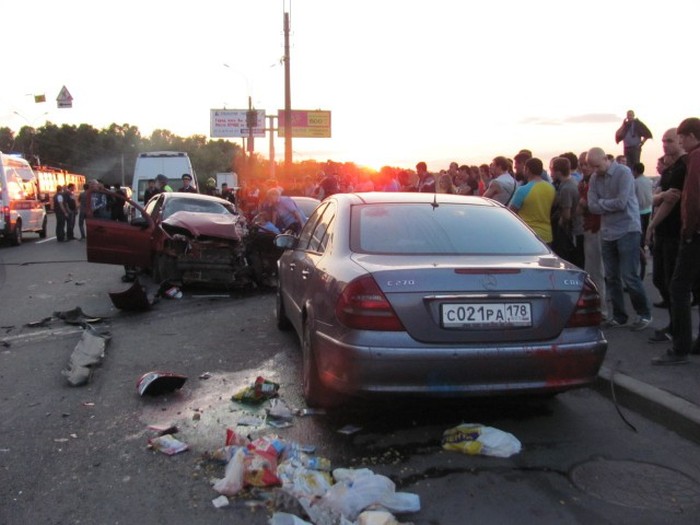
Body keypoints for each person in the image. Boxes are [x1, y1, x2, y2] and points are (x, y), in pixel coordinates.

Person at [587, 147, 652, 330]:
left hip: (627, 229)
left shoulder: (623, 173)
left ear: (605, 159)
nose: (594, 170)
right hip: (608, 232)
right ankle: (619, 316)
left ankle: (643, 314)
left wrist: (601, 204)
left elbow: (622, 202)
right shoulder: (594, 178)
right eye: (592, 167)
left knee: (629, 275)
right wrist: (605, 204)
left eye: (597, 166)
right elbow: (592, 206)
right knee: (611, 276)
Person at [652, 118, 700, 364]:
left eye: (680, 138)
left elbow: (691, 198)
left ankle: (679, 347)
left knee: (679, 288)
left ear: (691, 136)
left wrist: (688, 231)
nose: (679, 143)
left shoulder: (695, 158)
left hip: (694, 235)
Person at [645, 130, 686, 344]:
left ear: (680, 140)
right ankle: (674, 325)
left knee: (673, 284)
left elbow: (670, 201)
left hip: (674, 232)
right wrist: (660, 197)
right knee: (660, 279)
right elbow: (657, 198)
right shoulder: (669, 170)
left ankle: (678, 330)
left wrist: (651, 225)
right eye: (662, 141)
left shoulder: (683, 166)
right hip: (664, 233)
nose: (664, 145)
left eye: (669, 141)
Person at [578, 151, 608, 320]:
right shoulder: (586, 182)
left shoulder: (594, 182)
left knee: (596, 271)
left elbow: (587, 205)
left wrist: (585, 204)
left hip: (597, 228)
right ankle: (599, 307)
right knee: (592, 270)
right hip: (590, 227)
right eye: (582, 164)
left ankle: (601, 310)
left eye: (587, 164)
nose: (584, 167)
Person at [509, 157, 556, 244]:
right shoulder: (551, 188)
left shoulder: (523, 190)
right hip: (547, 234)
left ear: (527, 170)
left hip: (527, 234)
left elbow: (511, 213)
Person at [550, 157, 584, 267]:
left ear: (558, 172)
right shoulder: (572, 182)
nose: (551, 173)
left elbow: (566, 214)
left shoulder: (566, 188)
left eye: (552, 170)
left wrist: (560, 223)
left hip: (574, 229)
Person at [632, 163, 653, 280]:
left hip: (638, 212)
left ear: (635, 171)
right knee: (644, 237)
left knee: (638, 242)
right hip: (648, 210)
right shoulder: (648, 181)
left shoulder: (635, 182)